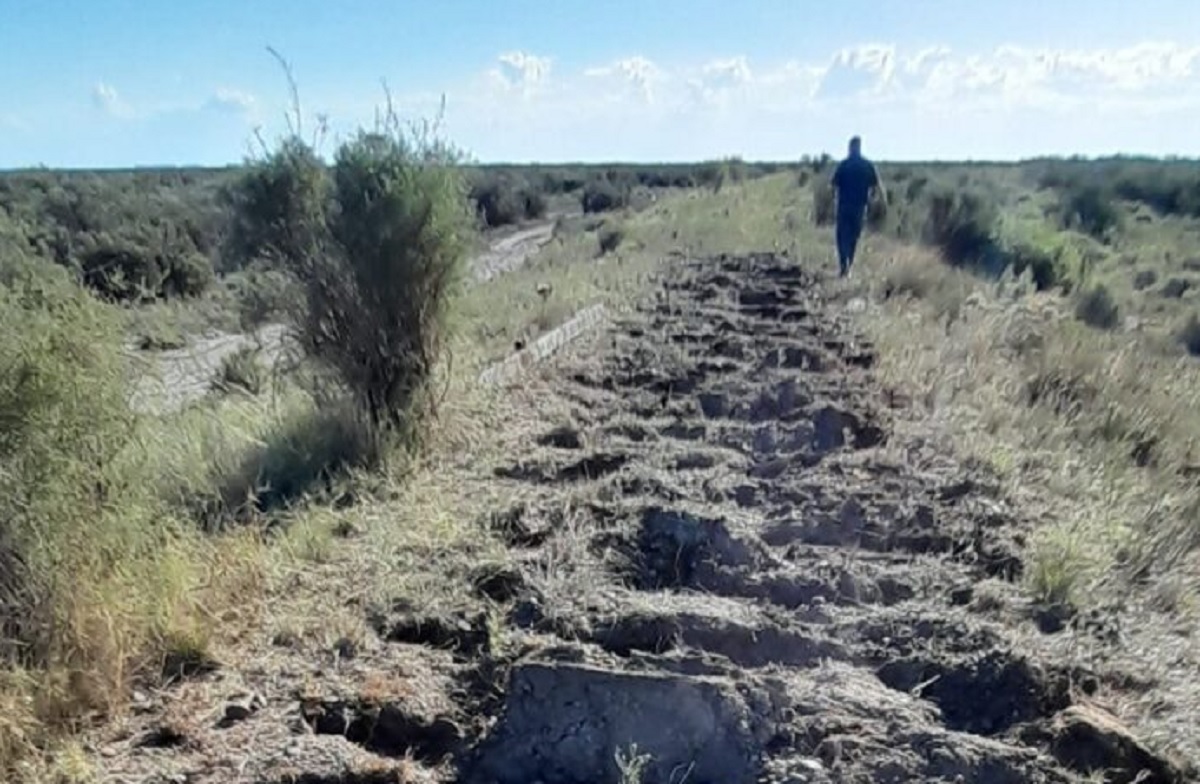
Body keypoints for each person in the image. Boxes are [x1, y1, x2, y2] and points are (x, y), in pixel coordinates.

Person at [830, 136, 885, 277]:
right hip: (860, 207)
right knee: (854, 236)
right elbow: (875, 186)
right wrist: (873, 199)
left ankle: (844, 264)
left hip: (844, 206)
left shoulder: (844, 165)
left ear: (850, 147)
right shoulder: (867, 165)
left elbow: (834, 185)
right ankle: (849, 264)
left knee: (842, 236)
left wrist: (834, 200)